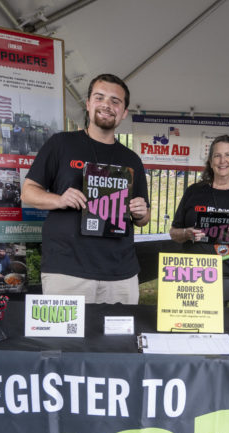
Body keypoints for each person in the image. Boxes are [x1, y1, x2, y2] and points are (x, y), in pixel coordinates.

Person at [22, 74, 149, 303]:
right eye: (99, 97)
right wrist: (59, 200)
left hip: (120, 272)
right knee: (65, 339)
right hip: (67, 270)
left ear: (124, 112)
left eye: (115, 101)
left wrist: (141, 213)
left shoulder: (132, 159)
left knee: (119, 340)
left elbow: (143, 218)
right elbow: (28, 191)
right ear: (88, 103)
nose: (107, 105)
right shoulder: (61, 144)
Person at [170, 135, 229, 302]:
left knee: (220, 326)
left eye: (228, 155)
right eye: (217, 155)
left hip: (225, 275)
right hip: (191, 274)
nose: (223, 160)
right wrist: (187, 233)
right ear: (210, 161)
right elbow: (173, 233)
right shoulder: (194, 191)